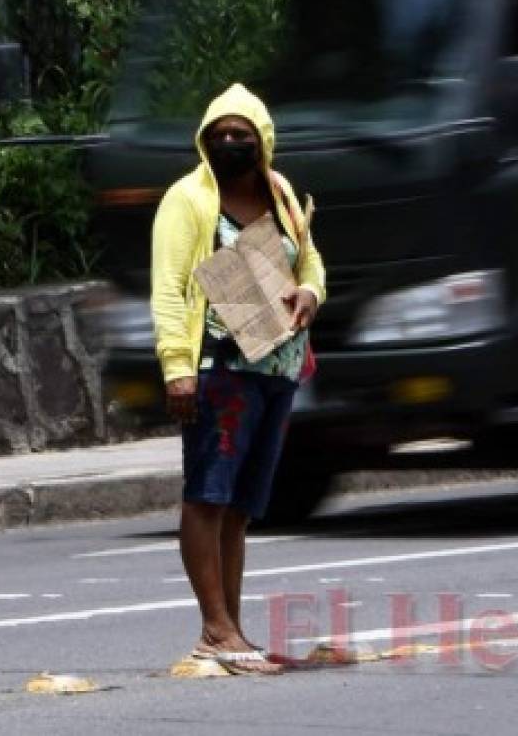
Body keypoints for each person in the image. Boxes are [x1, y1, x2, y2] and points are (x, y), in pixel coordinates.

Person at [151, 83, 325, 675]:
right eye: (219, 135)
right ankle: (214, 628)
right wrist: (177, 369)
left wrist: (310, 292)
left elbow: (310, 260)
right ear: (204, 141)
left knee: (241, 507)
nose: (229, 144)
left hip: (276, 367)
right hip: (218, 371)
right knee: (208, 495)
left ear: (262, 142)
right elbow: (169, 289)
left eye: (241, 136)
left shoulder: (278, 194)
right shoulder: (189, 200)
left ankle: (233, 628)